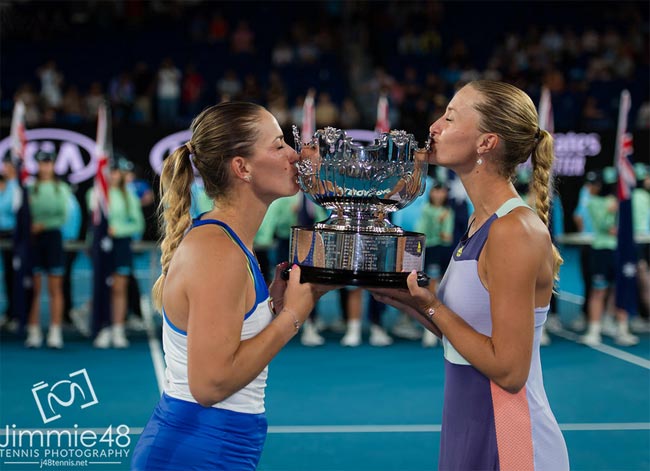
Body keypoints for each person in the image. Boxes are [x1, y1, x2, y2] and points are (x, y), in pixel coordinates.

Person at [371, 80, 569, 470]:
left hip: (512, 438)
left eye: (449, 117)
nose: (434, 126)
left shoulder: (514, 230)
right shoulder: (480, 222)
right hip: (469, 425)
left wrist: (432, 306)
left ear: (486, 142)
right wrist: (408, 300)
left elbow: (510, 372)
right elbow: (466, 338)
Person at [131, 102, 327, 470]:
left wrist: (273, 309)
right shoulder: (217, 252)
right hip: (197, 451)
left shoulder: (227, 243)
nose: (294, 155)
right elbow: (211, 385)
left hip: (216, 445)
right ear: (242, 167)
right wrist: (292, 319)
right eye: (279, 144)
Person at [92, 157, 145, 348]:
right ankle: (103, 328)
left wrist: (118, 229)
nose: (113, 175)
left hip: (121, 245)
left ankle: (118, 329)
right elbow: (94, 217)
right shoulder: (96, 193)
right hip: (102, 247)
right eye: (109, 171)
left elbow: (138, 223)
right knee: (102, 287)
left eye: (115, 172)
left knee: (119, 288)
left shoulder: (128, 195)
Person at [25, 149, 72, 349]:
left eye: (48, 163)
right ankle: (33, 331)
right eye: (41, 163)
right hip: (34, 241)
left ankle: (55, 331)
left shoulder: (61, 188)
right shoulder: (30, 188)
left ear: (53, 165)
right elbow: (24, 214)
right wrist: (31, 226)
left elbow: (63, 215)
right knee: (34, 288)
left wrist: (43, 224)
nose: (45, 167)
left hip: (53, 238)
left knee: (55, 287)